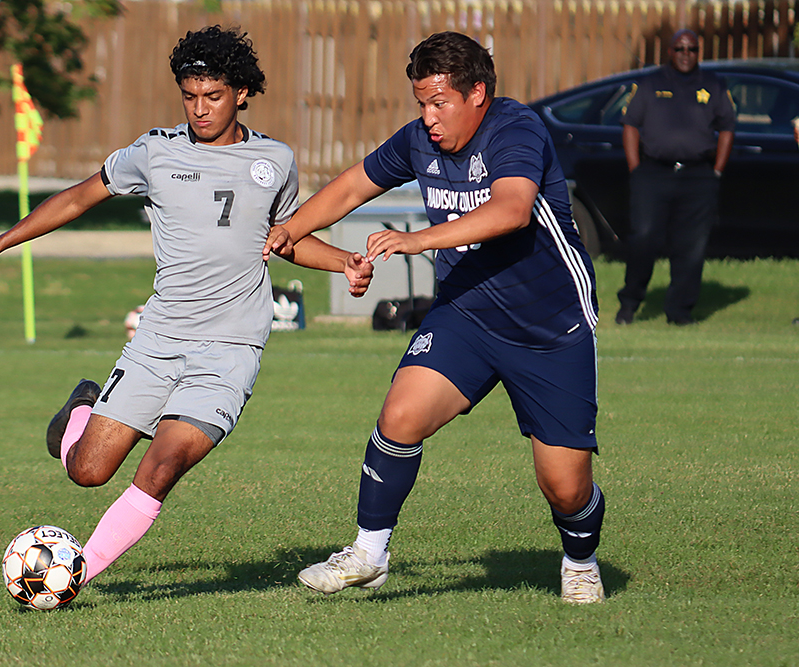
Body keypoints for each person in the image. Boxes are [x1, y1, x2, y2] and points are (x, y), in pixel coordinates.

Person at [0, 25, 373, 585]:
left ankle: (72, 576)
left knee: (164, 464)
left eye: (214, 96)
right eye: (190, 96)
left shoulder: (275, 161)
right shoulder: (154, 152)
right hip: (158, 339)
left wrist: (343, 259)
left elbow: (284, 237)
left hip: (231, 347)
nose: (200, 109)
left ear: (241, 92)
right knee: (88, 472)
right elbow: (79, 196)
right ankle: (82, 409)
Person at [265, 31, 605, 603]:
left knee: (565, 487)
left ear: (478, 93)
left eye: (439, 103)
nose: (428, 117)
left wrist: (416, 239)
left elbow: (512, 209)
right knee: (400, 415)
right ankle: (369, 554)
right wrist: (290, 228)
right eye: (421, 103)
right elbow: (353, 185)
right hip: (465, 314)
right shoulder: (419, 141)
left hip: (549, 326)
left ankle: (580, 560)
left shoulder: (516, 129)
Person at [615, 29, 735, 326]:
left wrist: (717, 170)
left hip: (697, 175)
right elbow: (630, 125)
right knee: (644, 238)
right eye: (680, 48)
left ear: (699, 52)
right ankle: (630, 302)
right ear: (670, 51)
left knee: (691, 246)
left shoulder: (714, 85)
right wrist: (636, 168)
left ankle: (679, 311)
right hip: (653, 173)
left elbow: (728, 127)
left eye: (692, 49)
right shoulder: (650, 83)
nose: (686, 54)